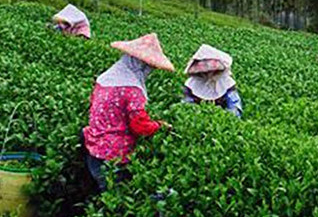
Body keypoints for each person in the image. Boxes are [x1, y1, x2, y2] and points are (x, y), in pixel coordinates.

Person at [81, 33, 175, 191]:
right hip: (113, 155)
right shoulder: (131, 89)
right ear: (138, 64)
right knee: (115, 197)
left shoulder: (105, 79)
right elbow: (140, 126)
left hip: (93, 148)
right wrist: (160, 126)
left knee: (102, 194)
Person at [183, 44, 243, 118]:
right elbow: (187, 105)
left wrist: (227, 118)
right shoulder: (192, 84)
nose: (209, 74)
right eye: (205, 72)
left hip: (221, 115)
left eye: (212, 71)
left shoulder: (226, 83)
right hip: (198, 115)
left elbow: (234, 105)